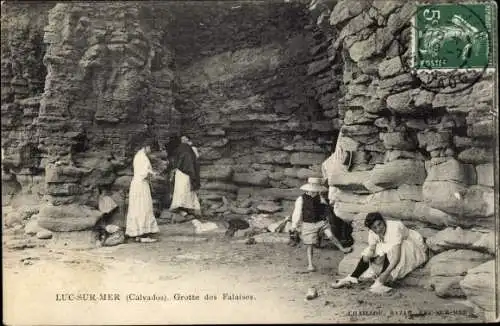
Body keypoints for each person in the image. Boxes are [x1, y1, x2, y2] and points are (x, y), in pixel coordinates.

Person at [331, 212, 428, 293]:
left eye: (379, 224)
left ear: (383, 221)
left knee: (391, 252)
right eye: (374, 227)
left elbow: (396, 257)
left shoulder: (394, 228)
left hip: (411, 244)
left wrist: (385, 273)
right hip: (390, 245)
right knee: (369, 251)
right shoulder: (373, 232)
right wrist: (368, 255)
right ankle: (353, 276)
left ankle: (380, 282)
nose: (378, 229)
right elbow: (373, 247)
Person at [290, 177, 353, 272]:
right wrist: (295, 225)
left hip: (320, 222)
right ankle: (310, 265)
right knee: (310, 245)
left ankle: (342, 249)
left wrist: (327, 216)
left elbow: (325, 208)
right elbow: (297, 212)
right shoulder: (301, 199)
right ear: (309, 189)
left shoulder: (319, 197)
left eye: (316, 191)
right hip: (308, 223)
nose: (314, 192)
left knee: (331, 235)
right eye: (313, 191)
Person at [125, 139, 160, 243]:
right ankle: (142, 234)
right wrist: (154, 174)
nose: (151, 151)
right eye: (150, 148)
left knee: (138, 207)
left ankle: (138, 234)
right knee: (143, 207)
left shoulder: (138, 156)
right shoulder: (142, 157)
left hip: (138, 184)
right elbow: (144, 173)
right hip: (141, 185)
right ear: (146, 146)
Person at [166, 135, 201, 217]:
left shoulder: (189, 149)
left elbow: (192, 160)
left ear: (188, 140)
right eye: (182, 139)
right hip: (183, 172)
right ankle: (183, 207)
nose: (183, 140)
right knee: (183, 189)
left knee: (184, 188)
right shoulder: (183, 149)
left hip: (184, 172)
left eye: (185, 139)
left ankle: (186, 207)